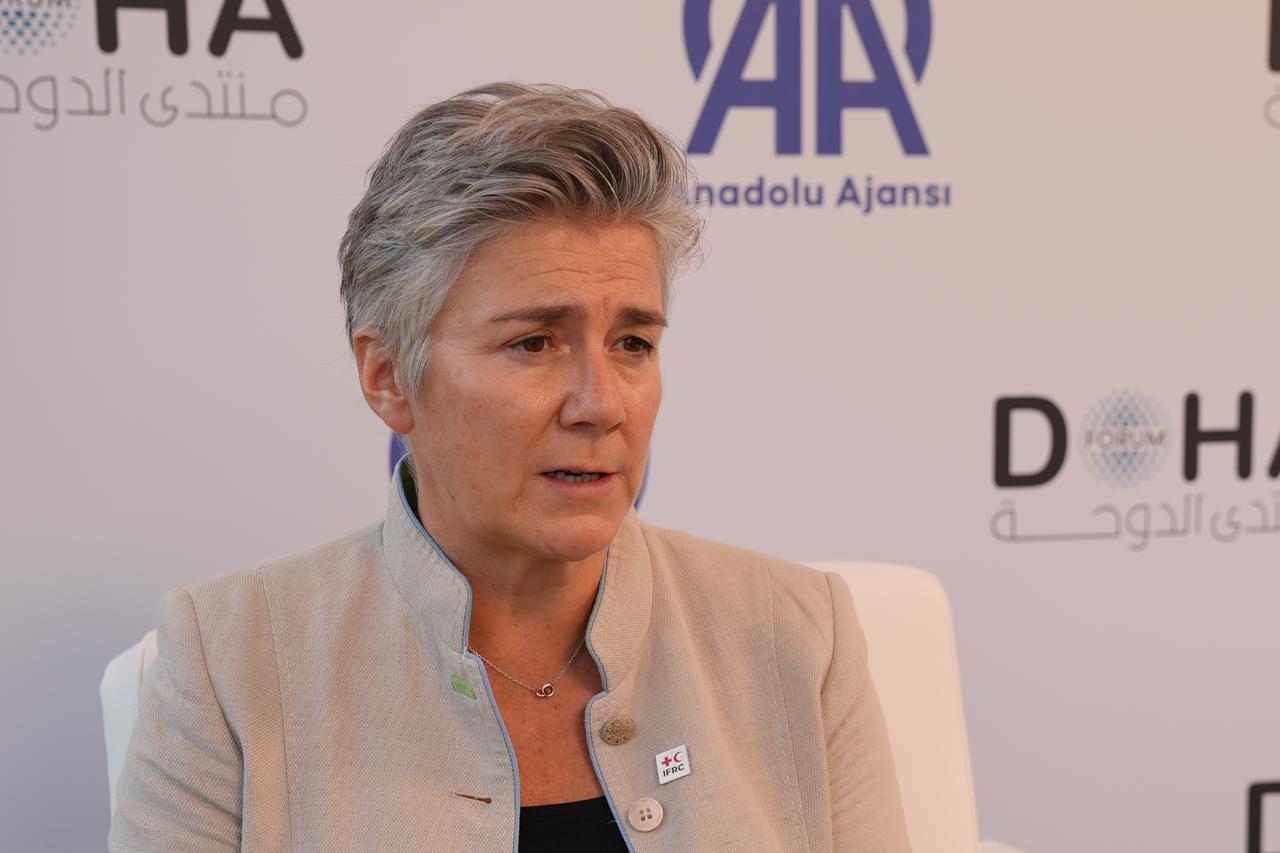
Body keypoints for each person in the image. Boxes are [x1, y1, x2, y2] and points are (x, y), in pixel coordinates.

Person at [108, 81, 912, 852]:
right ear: (388, 376)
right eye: (534, 342)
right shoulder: (231, 663)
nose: (601, 403)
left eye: (633, 342)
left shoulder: (798, 637)